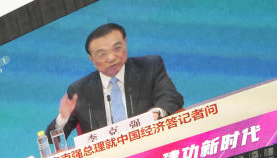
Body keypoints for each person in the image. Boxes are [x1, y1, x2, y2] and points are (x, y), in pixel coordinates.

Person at [46, 22, 183, 142]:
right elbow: (52, 139)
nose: (111, 58)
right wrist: (63, 117)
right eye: (102, 54)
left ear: (125, 43)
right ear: (92, 59)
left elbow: (171, 97)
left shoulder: (150, 66)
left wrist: (152, 116)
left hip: (151, 144)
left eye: (117, 48)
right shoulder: (79, 90)